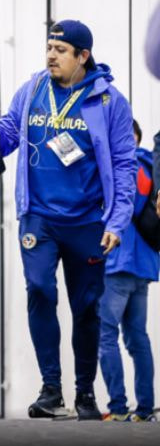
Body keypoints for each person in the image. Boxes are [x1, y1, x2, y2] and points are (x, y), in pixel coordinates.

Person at [0, 20, 135, 420]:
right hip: (38, 217)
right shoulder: (32, 91)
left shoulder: (109, 101)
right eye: (49, 48)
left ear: (83, 56)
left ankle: (85, 393)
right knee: (40, 289)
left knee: (86, 308)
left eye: (60, 50)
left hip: (87, 221)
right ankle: (51, 389)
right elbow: (1, 142)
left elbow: (125, 164)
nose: (51, 56)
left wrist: (117, 222)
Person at [99, 119, 156, 422]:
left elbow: (126, 206)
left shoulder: (130, 166)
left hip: (120, 261)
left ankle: (119, 408)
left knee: (105, 334)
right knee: (137, 338)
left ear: (131, 136)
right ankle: (144, 410)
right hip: (142, 265)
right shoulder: (150, 166)